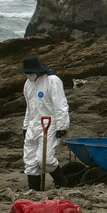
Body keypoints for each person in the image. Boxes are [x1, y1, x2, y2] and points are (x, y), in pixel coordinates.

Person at [20, 55, 70, 191]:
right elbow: (29, 108)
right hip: (33, 125)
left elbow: (60, 104)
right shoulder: (28, 84)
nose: (28, 75)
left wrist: (62, 125)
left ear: (37, 70)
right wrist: (25, 126)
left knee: (45, 160)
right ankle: (34, 191)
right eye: (26, 73)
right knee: (30, 161)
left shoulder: (52, 81)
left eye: (30, 72)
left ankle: (64, 183)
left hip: (49, 124)